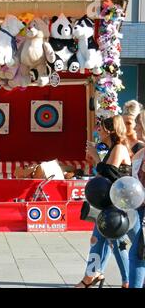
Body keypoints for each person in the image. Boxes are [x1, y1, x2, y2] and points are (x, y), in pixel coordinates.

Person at [76, 115, 132, 288]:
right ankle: (91, 275)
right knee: (98, 240)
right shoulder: (111, 148)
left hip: (117, 204)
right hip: (108, 203)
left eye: (100, 128)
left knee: (117, 241)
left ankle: (126, 281)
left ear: (109, 131)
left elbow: (109, 173)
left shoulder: (119, 148)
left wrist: (96, 156)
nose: (97, 131)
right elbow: (103, 174)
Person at [127, 109, 145, 288]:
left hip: (143, 211)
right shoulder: (139, 152)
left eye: (138, 123)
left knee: (138, 254)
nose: (136, 127)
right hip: (138, 210)